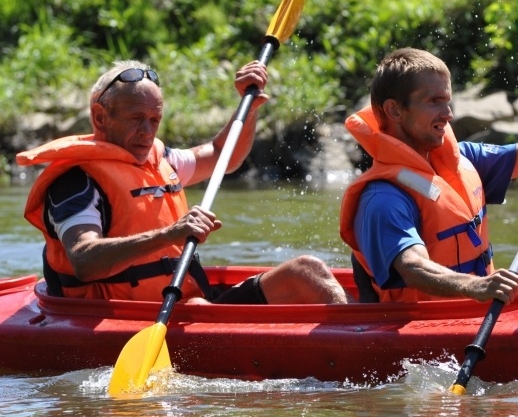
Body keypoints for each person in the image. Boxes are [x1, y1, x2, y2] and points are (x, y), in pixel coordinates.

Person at [17, 59, 349, 305]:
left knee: (307, 271)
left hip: (183, 304)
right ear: (101, 117)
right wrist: (171, 233)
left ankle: (354, 345)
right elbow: (85, 260)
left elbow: (222, 155)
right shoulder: (77, 181)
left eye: (154, 120)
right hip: (117, 317)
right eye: (136, 119)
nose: (147, 132)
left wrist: (248, 108)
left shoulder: (160, 160)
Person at [339, 48, 518, 303]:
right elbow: (413, 267)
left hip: (477, 308)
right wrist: (475, 287)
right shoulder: (382, 197)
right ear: (394, 110)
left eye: (448, 101)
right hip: (423, 328)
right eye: (434, 102)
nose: (448, 114)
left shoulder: (465, 158)